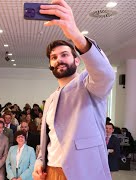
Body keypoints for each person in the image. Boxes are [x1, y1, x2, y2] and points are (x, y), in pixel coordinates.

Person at [32, 0, 115, 180]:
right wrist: (39, 161)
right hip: (51, 171)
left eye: (64, 55)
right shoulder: (51, 99)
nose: (59, 60)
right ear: (50, 64)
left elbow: (106, 75)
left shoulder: (90, 85)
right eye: (54, 57)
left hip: (84, 171)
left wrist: (76, 36)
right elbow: (49, 139)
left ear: (77, 61)